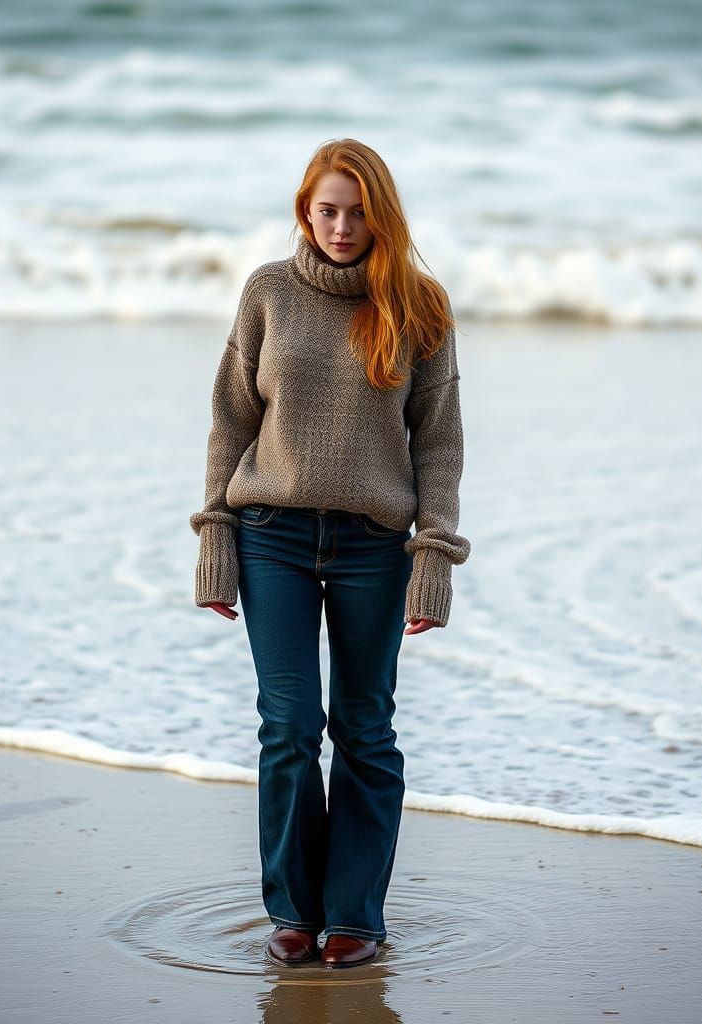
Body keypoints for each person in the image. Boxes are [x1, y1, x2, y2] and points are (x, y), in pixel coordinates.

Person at [189, 138, 470, 969]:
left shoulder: (420, 306)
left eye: (357, 211)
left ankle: (354, 916)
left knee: (363, 728)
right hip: (270, 534)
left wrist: (434, 559)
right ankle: (293, 913)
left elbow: (441, 446)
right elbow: (231, 421)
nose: (343, 226)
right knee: (287, 725)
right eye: (327, 210)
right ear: (304, 214)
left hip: (374, 547)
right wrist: (215, 540)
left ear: (380, 214)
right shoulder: (267, 293)